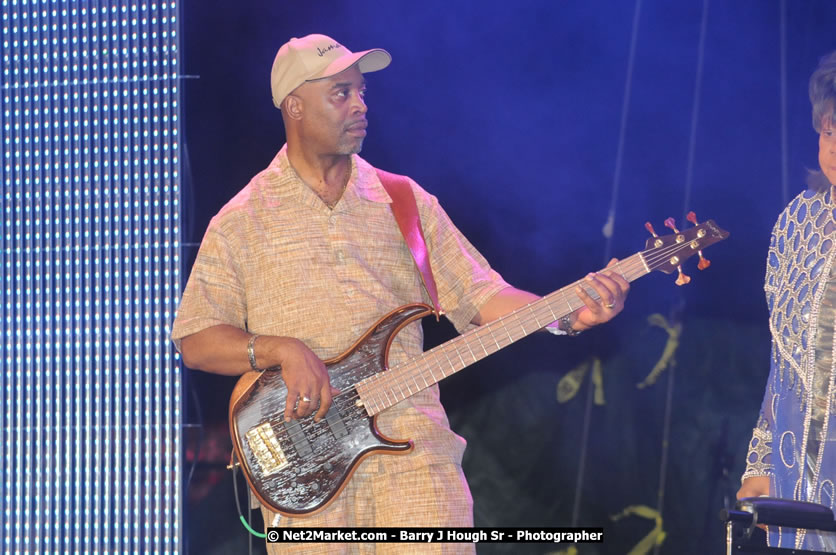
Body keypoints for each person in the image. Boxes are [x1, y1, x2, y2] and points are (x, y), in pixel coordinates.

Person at [171, 33, 629, 553]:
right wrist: (280, 349)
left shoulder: (404, 201)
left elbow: (484, 298)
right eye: (341, 93)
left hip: (414, 455)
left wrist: (567, 315)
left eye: (362, 92)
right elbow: (195, 339)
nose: (361, 104)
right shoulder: (240, 221)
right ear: (294, 106)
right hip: (305, 470)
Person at [738, 51, 836, 551]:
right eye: (829, 132)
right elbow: (785, 361)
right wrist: (763, 462)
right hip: (804, 472)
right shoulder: (801, 222)